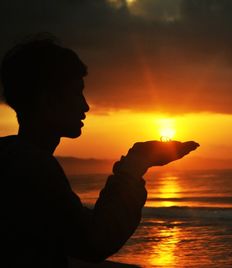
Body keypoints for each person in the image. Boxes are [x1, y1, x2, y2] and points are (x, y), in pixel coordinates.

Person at [0, 36, 199, 267]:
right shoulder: (32, 167)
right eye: (77, 93)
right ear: (47, 100)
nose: (85, 106)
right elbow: (94, 241)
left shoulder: (11, 155)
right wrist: (135, 164)